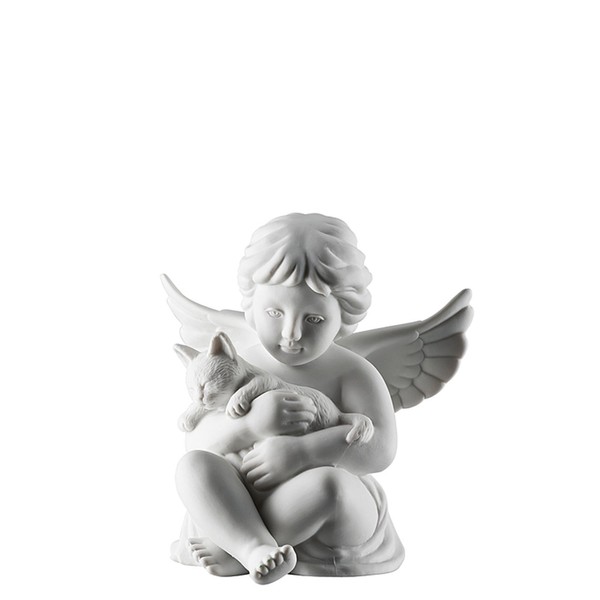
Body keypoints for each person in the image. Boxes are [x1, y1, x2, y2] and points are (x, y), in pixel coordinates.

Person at [172, 213, 404, 584]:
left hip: (322, 507)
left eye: (314, 319)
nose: (291, 333)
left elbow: (380, 452)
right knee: (192, 467)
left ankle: (236, 545)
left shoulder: (354, 372)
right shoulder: (236, 363)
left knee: (333, 486)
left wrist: (303, 453)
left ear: (344, 315)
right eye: (274, 312)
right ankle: (254, 549)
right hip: (245, 493)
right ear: (251, 306)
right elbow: (198, 442)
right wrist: (250, 426)